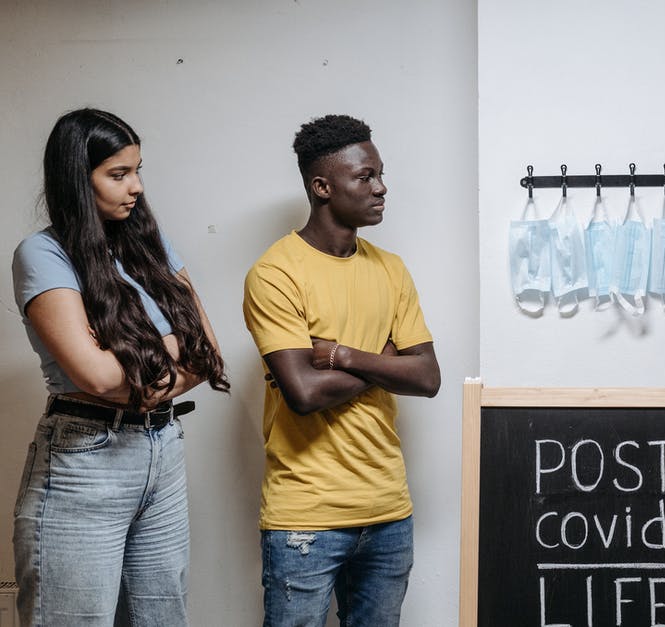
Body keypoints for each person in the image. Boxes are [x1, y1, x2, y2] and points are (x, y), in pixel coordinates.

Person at [11, 108, 229, 626]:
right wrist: (174, 343)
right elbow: (98, 377)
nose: (136, 187)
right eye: (118, 174)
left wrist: (136, 357)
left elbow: (209, 353)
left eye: (137, 170)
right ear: (75, 179)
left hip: (163, 452)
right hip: (86, 459)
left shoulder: (151, 246)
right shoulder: (42, 255)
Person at [242, 114, 441, 626]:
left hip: (389, 509)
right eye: (365, 177)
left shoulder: (391, 268)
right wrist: (388, 362)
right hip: (306, 517)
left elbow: (428, 378)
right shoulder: (276, 273)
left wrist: (344, 355)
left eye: (380, 174)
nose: (381, 188)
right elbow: (304, 392)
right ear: (322, 187)